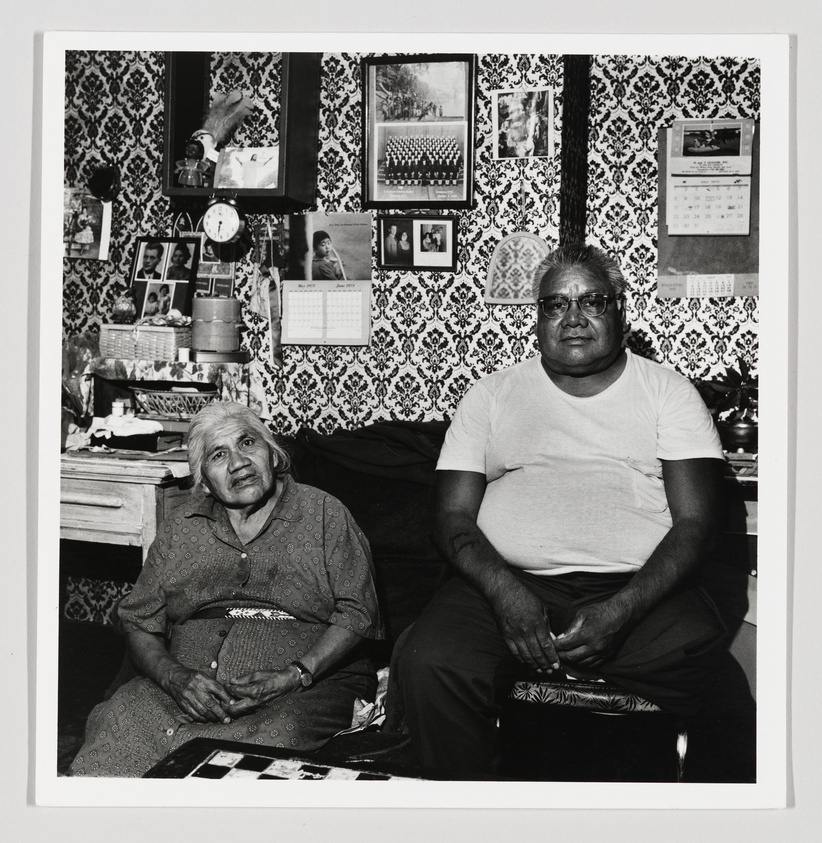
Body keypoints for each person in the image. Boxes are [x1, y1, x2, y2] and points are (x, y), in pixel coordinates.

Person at [392, 243, 755, 782]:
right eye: (556, 304)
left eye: (593, 301)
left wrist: (624, 610)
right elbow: (451, 519)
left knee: (715, 685)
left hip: (639, 587)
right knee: (427, 661)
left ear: (620, 311)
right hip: (507, 585)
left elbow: (696, 524)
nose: (575, 318)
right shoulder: (492, 395)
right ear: (537, 319)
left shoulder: (667, 393)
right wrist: (506, 593)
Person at [69, 402, 383, 777]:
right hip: (185, 684)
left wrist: (294, 674)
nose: (239, 463)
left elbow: (359, 612)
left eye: (248, 443)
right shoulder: (181, 527)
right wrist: (174, 678)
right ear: (203, 478)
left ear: (272, 452)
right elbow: (138, 620)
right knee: (120, 721)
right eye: (219, 455)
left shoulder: (322, 513)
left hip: (301, 689)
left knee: (257, 754)